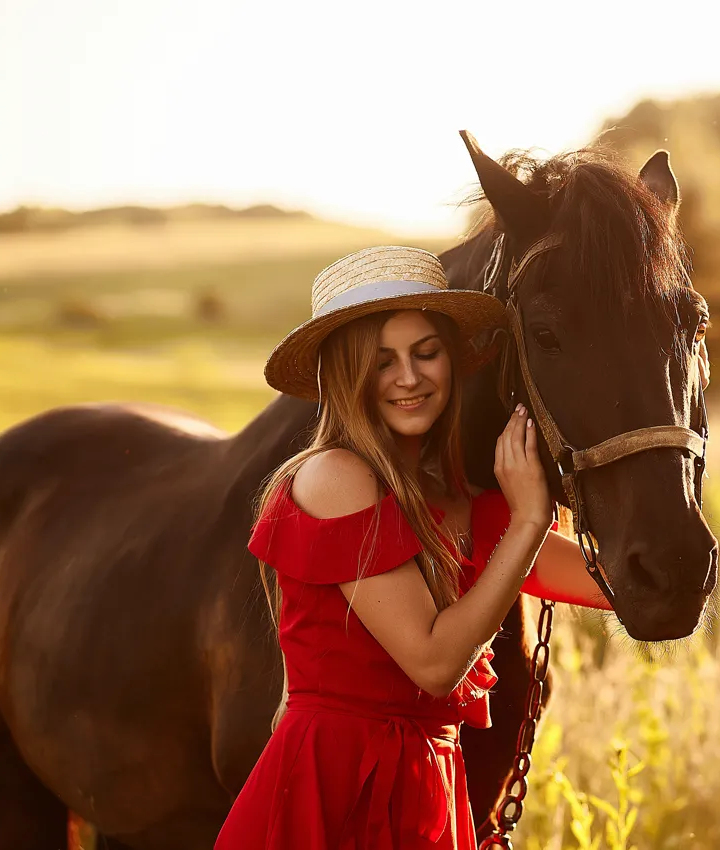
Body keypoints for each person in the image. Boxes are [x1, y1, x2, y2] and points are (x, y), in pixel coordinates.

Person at [213, 245, 615, 850]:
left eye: (426, 353)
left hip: (427, 791)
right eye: (382, 362)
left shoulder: (467, 506)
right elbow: (433, 663)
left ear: (451, 362)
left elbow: (623, 584)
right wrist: (531, 519)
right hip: (335, 791)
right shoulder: (334, 478)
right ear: (348, 375)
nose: (409, 377)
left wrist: (643, 438)